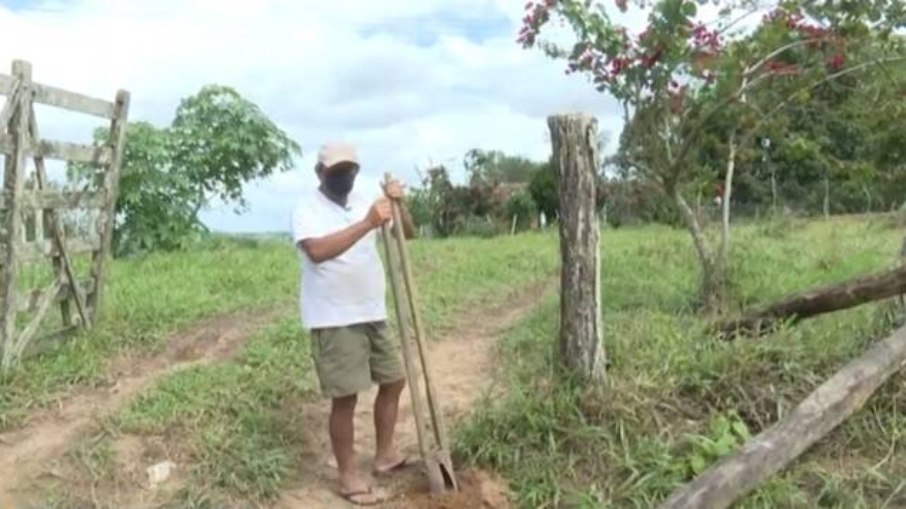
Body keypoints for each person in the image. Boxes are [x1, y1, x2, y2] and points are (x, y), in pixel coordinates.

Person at [291, 142, 417, 506]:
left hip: (372, 311)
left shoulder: (366, 199)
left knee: (394, 379)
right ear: (320, 173)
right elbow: (316, 252)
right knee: (345, 397)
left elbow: (405, 234)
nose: (345, 176)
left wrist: (397, 205)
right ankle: (347, 475)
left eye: (350, 170)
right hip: (334, 317)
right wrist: (366, 224)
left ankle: (384, 454)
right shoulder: (306, 208)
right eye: (336, 171)